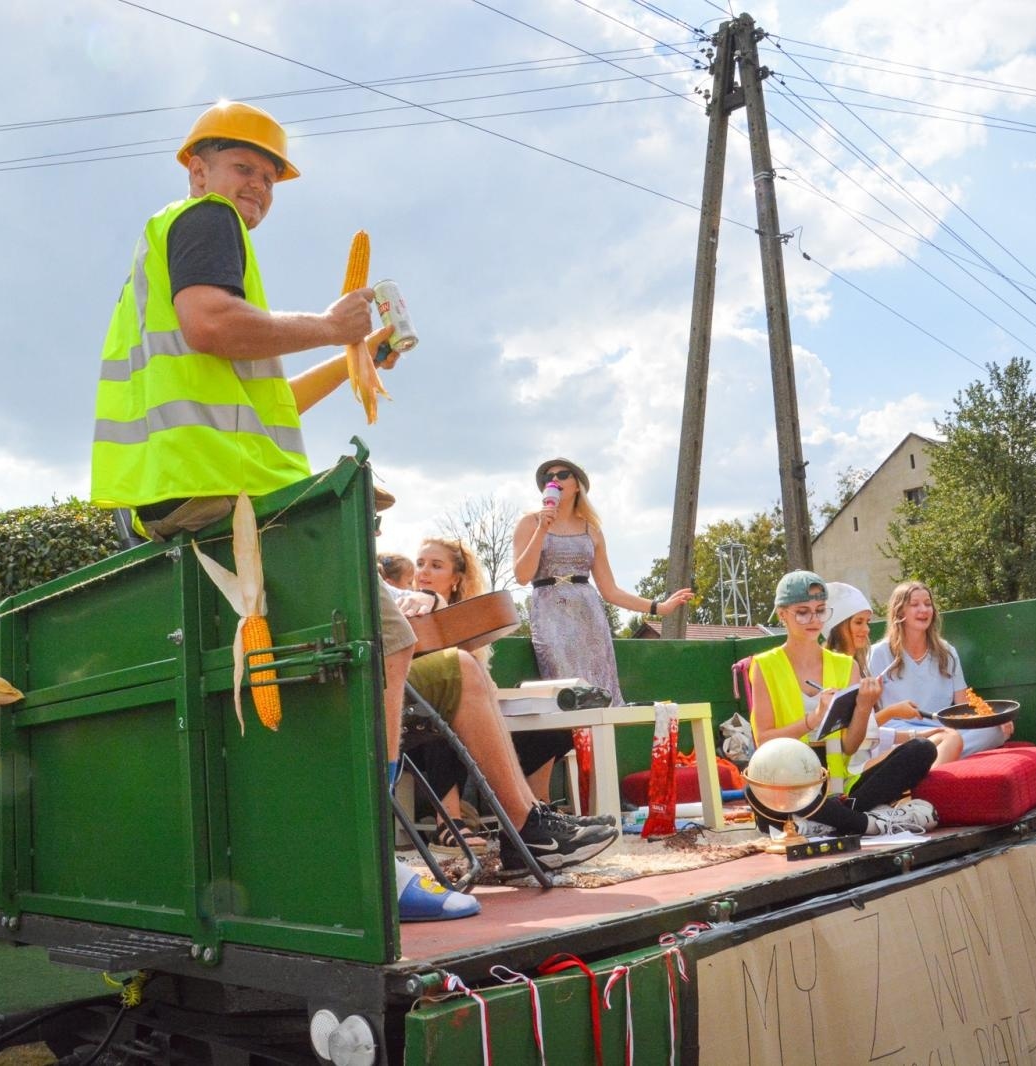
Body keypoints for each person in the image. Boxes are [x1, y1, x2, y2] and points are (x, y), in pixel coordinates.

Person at [88, 100, 471, 921]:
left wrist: (347, 355)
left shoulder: (179, 233)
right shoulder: (207, 222)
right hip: (217, 489)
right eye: (243, 168)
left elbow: (265, 395)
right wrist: (329, 322)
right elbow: (213, 325)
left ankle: (327, 852)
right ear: (199, 167)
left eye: (269, 176)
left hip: (194, 485)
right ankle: (369, 860)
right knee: (392, 641)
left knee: (326, 662)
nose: (256, 187)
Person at [408, 536, 619, 873]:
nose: (423, 572)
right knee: (444, 707)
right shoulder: (408, 609)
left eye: (435, 565)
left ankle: (536, 811)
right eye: (420, 564)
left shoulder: (469, 621)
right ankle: (449, 820)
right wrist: (426, 600)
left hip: (471, 734)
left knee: (558, 727)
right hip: (418, 728)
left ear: (457, 576)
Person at [511, 458, 693, 801]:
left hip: (588, 614)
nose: (554, 480)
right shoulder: (530, 522)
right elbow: (522, 575)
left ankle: (601, 792)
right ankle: (541, 800)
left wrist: (659, 607)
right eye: (547, 477)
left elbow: (610, 589)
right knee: (562, 703)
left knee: (597, 702)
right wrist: (542, 529)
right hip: (549, 609)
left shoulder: (591, 528)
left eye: (562, 474)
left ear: (577, 483)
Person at [742, 571, 938, 837]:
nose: (813, 620)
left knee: (922, 750)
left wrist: (864, 706)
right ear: (782, 614)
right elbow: (764, 741)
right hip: (792, 784)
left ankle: (832, 820)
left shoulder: (846, 665)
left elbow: (849, 746)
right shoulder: (764, 665)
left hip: (842, 788)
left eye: (820, 611)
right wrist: (812, 720)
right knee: (755, 788)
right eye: (803, 612)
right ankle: (864, 824)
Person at [824, 582, 962, 770]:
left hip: (878, 745)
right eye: (859, 622)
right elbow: (850, 742)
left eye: (867, 622)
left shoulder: (856, 665)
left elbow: (873, 734)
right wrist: (893, 713)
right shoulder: (841, 666)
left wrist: (926, 733)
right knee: (946, 740)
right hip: (854, 768)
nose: (866, 629)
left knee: (952, 736)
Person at [867, 581, 1013, 758]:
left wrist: (992, 718)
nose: (924, 610)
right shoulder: (878, 653)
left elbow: (963, 703)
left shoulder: (947, 652)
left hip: (942, 729)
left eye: (928, 604)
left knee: (994, 731)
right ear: (899, 611)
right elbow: (870, 715)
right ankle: (936, 754)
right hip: (901, 731)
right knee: (884, 739)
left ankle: (930, 756)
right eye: (915, 604)